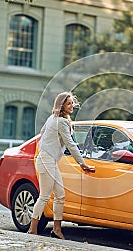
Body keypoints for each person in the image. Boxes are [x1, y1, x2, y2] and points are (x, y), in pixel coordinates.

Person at [28, 92, 94, 239]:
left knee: (60, 195)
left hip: (48, 160)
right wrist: (82, 163)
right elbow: (70, 143)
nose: (71, 106)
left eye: (72, 103)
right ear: (61, 105)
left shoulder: (53, 118)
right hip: (46, 160)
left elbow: (42, 132)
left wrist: (48, 145)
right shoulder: (61, 121)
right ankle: (32, 229)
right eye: (68, 103)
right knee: (44, 196)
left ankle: (57, 229)